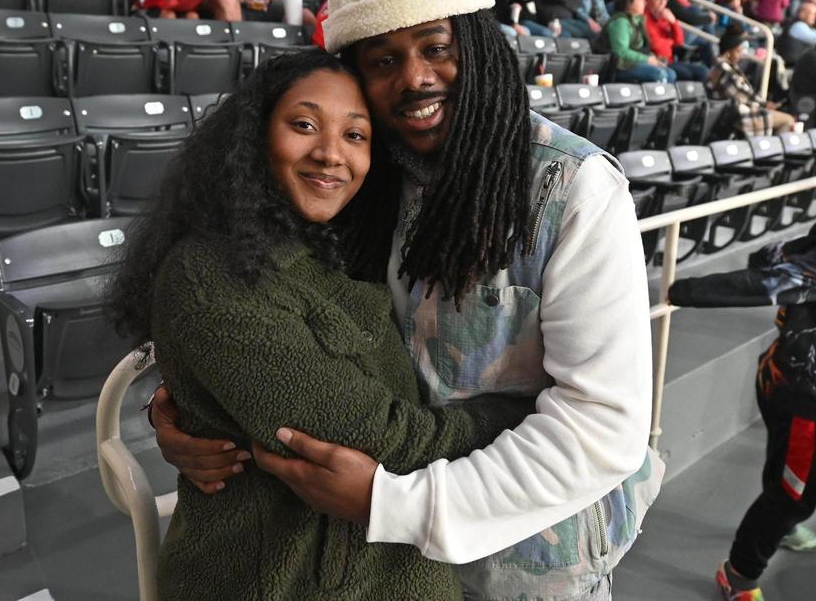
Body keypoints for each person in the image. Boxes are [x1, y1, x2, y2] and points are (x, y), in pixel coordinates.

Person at [149, 0, 661, 600]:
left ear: (475, 46)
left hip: (528, 565)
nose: (414, 76)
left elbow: (602, 428)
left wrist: (397, 504)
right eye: (384, 60)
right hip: (389, 566)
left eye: (436, 46)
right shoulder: (359, 179)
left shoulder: (576, 190)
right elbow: (275, 330)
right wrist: (195, 417)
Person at [110, 49, 533, 599]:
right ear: (254, 135)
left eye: (356, 135)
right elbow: (385, 437)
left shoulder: (342, 247)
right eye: (304, 125)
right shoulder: (208, 273)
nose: (332, 154)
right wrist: (530, 410)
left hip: (396, 567)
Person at [669, 160, 816, 601]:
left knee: (787, 474)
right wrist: (681, 291)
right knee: (793, 494)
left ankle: (782, 522)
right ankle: (739, 575)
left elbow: (770, 255)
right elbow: (764, 280)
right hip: (809, 399)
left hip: (790, 380)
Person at [707, 30, 795, 136]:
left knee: (786, 118)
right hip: (734, 114)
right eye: (738, 51)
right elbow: (740, 95)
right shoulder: (723, 68)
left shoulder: (726, 66)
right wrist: (764, 104)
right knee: (788, 120)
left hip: (740, 109)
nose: (741, 55)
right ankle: (766, 149)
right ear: (727, 52)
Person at [599, 0, 678, 83]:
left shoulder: (638, 21)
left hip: (633, 62)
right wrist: (647, 59)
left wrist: (653, 57)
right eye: (640, 0)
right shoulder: (620, 22)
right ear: (629, 3)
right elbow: (620, 52)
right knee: (659, 74)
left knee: (671, 74)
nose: (644, 3)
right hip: (619, 66)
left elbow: (640, 49)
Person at [641, 0, 709, 81]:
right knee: (693, 74)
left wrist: (673, 22)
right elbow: (654, 44)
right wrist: (669, 41)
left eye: (665, 0)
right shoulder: (642, 16)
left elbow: (679, 42)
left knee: (704, 71)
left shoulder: (665, 17)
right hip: (656, 62)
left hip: (669, 60)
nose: (662, 3)